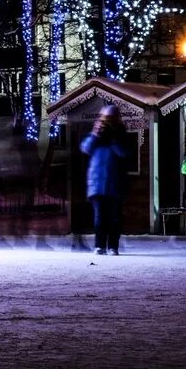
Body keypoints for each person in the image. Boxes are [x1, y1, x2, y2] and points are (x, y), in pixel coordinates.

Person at [80, 103, 130, 256]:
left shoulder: (121, 134)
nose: (106, 121)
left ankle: (113, 246)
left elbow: (124, 153)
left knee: (114, 218)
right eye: (104, 117)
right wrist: (96, 134)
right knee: (99, 217)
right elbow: (85, 148)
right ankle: (99, 245)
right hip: (97, 182)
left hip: (115, 183)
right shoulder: (96, 134)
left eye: (110, 118)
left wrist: (113, 138)